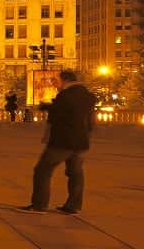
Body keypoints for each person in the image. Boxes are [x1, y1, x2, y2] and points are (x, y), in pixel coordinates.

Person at [21, 70, 96, 214]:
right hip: (81, 142)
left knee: (42, 170)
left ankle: (39, 204)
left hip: (63, 141)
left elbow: (59, 113)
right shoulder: (88, 96)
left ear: (66, 80)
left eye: (56, 81)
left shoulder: (66, 95)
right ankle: (73, 205)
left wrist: (46, 107)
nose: (54, 84)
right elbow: (89, 120)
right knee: (76, 173)